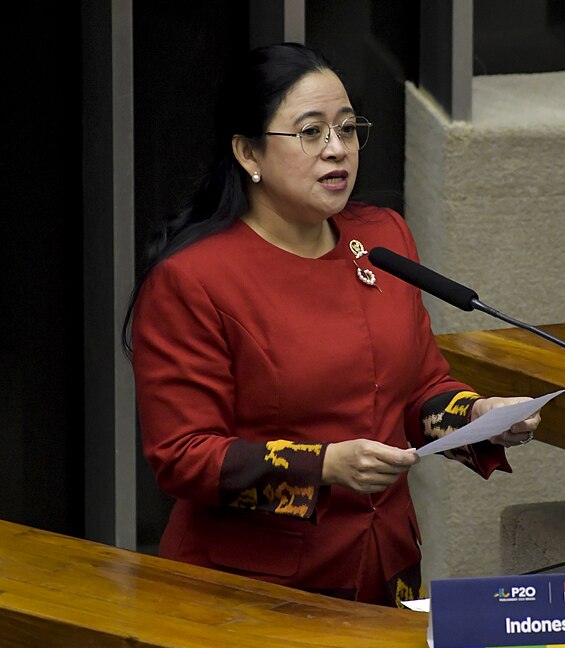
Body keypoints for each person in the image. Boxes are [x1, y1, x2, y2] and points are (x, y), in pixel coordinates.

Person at [124, 42, 541, 607]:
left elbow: (418, 390)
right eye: (310, 132)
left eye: (347, 130)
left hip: (385, 569)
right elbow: (182, 455)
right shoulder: (194, 278)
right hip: (253, 589)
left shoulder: (383, 238)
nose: (336, 151)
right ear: (249, 152)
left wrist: (477, 416)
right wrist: (324, 466)